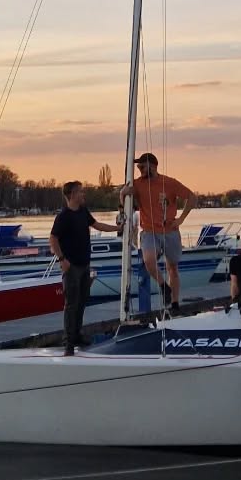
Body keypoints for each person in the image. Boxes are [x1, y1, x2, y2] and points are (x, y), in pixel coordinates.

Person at [118, 152, 193, 315]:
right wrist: (122, 194)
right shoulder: (137, 184)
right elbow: (124, 204)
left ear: (152, 166)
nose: (139, 170)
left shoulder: (169, 183)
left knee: (172, 267)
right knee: (149, 260)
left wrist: (181, 219)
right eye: (138, 167)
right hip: (149, 231)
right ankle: (162, 285)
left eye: (142, 167)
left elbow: (192, 197)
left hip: (170, 231)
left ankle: (174, 303)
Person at [50, 180, 118, 356]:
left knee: (81, 302)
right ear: (72, 195)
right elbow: (53, 239)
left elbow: (97, 225)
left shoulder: (83, 212)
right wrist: (62, 259)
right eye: (80, 192)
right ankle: (69, 343)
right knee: (71, 304)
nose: (83, 195)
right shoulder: (63, 216)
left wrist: (118, 228)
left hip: (84, 264)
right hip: (71, 267)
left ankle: (78, 334)